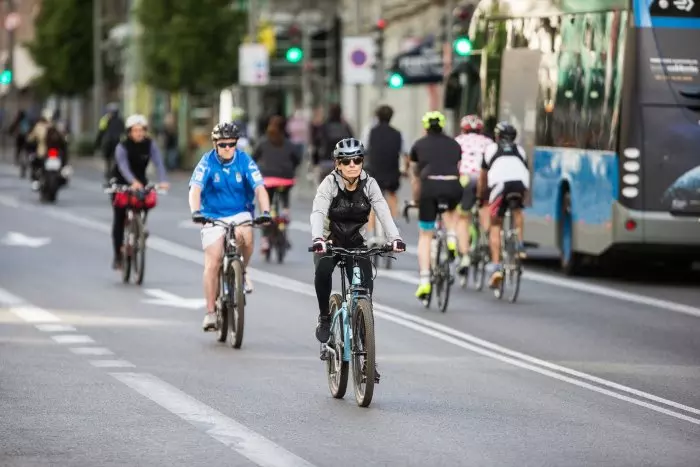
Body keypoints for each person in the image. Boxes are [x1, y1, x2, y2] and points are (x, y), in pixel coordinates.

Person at [310, 138, 406, 380]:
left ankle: (366, 358)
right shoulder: (329, 184)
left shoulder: (369, 183)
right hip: (330, 240)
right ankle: (324, 317)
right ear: (338, 164)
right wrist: (317, 238)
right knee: (322, 272)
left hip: (355, 242)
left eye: (357, 160)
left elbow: (383, 209)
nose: (353, 165)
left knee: (364, 294)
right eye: (347, 161)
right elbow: (319, 211)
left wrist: (394, 237)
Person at [189, 122, 272, 332]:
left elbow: (260, 188)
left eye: (231, 144)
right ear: (215, 144)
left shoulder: (244, 160)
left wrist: (266, 212)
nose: (227, 148)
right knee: (213, 260)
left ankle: (242, 271)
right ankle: (210, 312)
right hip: (212, 215)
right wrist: (195, 211)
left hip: (239, 212)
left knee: (247, 235)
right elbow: (195, 189)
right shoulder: (206, 162)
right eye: (223, 144)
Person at [408, 111, 463, 300]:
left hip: (429, 187)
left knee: (426, 234)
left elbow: (415, 177)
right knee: (451, 209)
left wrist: (416, 199)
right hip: (453, 185)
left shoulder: (418, 145)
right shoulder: (455, 144)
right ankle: (452, 239)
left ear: (425, 127)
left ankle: (424, 281)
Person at [111, 114, 170, 270]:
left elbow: (158, 162)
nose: (139, 133)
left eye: (141, 130)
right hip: (122, 182)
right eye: (135, 130)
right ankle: (118, 254)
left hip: (141, 182)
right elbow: (123, 166)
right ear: (129, 132)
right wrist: (132, 182)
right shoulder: (122, 146)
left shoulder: (149, 144)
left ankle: (140, 228)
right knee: (119, 217)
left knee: (145, 202)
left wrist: (163, 180)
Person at [478, 121, 530, 289]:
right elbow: (524, 171)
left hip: (500, 186)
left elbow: (483, 177)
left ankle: (496, 266)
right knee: (517, 211)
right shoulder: (520, 150)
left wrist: (481, 196)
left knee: (495, 224)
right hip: (519, 185)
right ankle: (520, 243)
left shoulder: (491, 149)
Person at [253, 115, 301, 254]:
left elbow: (253, 158)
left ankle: (265, 241)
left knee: (266, 207)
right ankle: (285, 212)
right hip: (286, 178)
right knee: (284, 192)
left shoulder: (263, 142)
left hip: (268, 179)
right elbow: (297, 159)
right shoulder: (288, 143)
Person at [363, 105, 409, 241]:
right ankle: (393, 223)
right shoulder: (398, 134)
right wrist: (405, 170)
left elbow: (362, 150)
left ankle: (371, 232)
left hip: (374, 172)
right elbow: (406, 155)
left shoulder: (370, 132)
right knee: (392, 195)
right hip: (392, 172)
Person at [454, 114, 493, 275]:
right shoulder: (489, 143)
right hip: (485, 179)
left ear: (463, 129)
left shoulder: (457, 141)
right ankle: (486, 236)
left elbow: (454, 164)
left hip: (466, 179)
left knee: (463, 218)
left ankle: (464, 256)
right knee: (485, 207)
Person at [26, 109, 69, 190]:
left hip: (44, 152)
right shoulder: (56, 126)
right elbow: (64, 140)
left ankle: (36, 180)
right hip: (54, 153)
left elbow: (30, 138)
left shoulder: (39, 126)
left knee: (35, 164)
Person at [313, 104, 353, 184]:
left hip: (326, 162)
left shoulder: (324, 126)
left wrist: (316, 161)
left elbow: (316, 143)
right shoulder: (345, 127)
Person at [96, 103, 126, 182]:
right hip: (115, 142)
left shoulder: (105, 119)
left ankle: (110, 172)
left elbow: (101, 132)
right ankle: (112, 172)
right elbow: (124, 133)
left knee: (109, 158)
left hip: (109, 142)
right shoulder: (120, 120)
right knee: (114, 158)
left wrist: (97, 143)